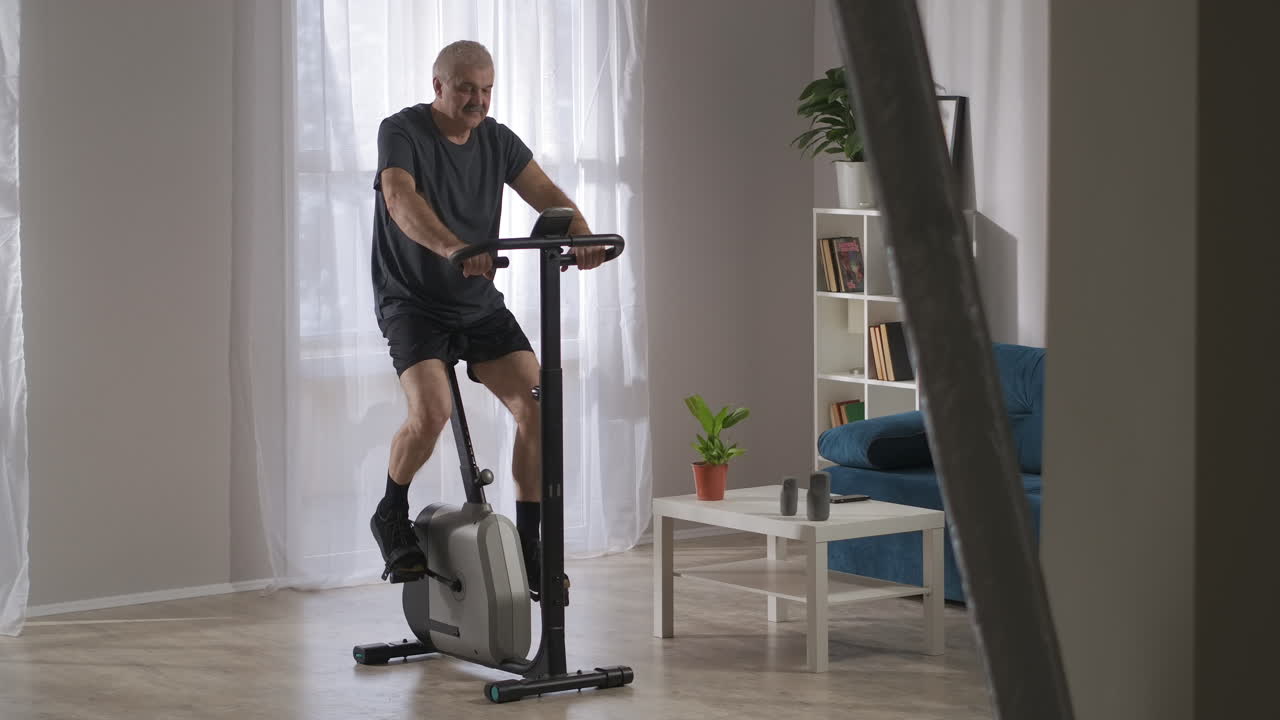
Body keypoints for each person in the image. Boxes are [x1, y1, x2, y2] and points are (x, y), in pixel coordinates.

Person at [368, 40, 607, 593]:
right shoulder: (401, 131)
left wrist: (583, 234)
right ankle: (390, 512)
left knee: (539, 407)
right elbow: (399, 198)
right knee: (432, 413)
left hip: (476, 303)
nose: (478, 99)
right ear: (439, 87)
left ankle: (526, 545)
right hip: (413, 301)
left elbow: (544, 191)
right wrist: (454, 247)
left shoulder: (496, 139)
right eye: (467, 88)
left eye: (486, 88)